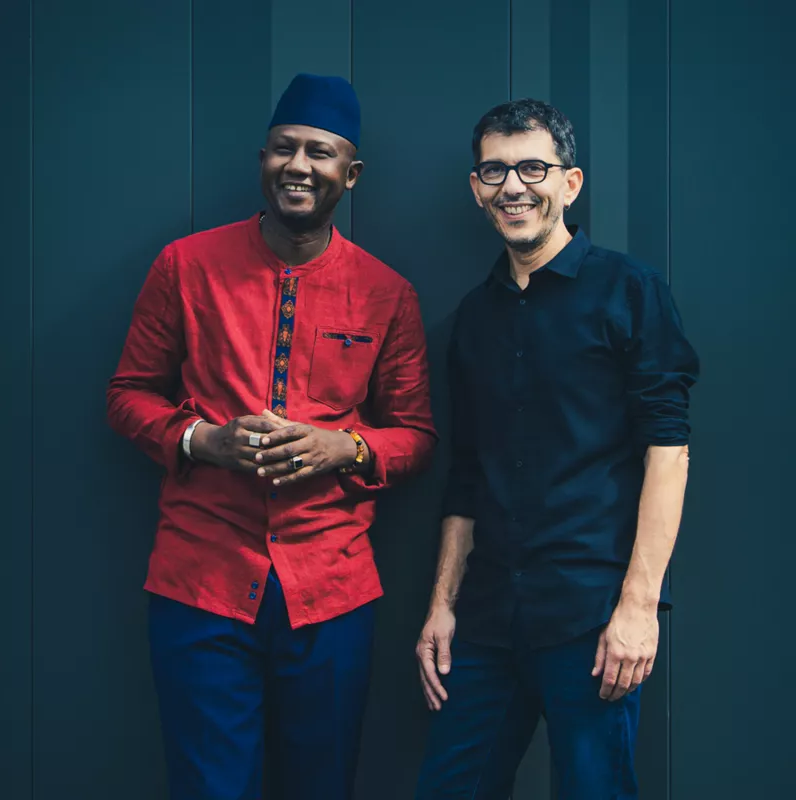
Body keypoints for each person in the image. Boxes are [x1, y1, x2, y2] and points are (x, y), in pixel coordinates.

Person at [107, 73, 437, 800]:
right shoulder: (186, 265)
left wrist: (344, 448)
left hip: (331, 591)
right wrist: (202, 440)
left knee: (321, 785)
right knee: (210, 787)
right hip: (201, 580)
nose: (299, 166)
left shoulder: (387, 293)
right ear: (262, 160)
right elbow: (127, 394)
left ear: (351, 174)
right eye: (284, 148)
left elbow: (415, 435)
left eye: (320, 152)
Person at [414, 98, 699, 799]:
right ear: (476, 188)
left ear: (569, 183)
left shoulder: (630, 290)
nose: (513, 186)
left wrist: (639, 609)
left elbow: (668, 452)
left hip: (591, 618)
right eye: (495, 171)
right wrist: (442, 604)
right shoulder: (473, 317)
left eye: (533, 168)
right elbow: (467, 473)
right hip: (485, 618)